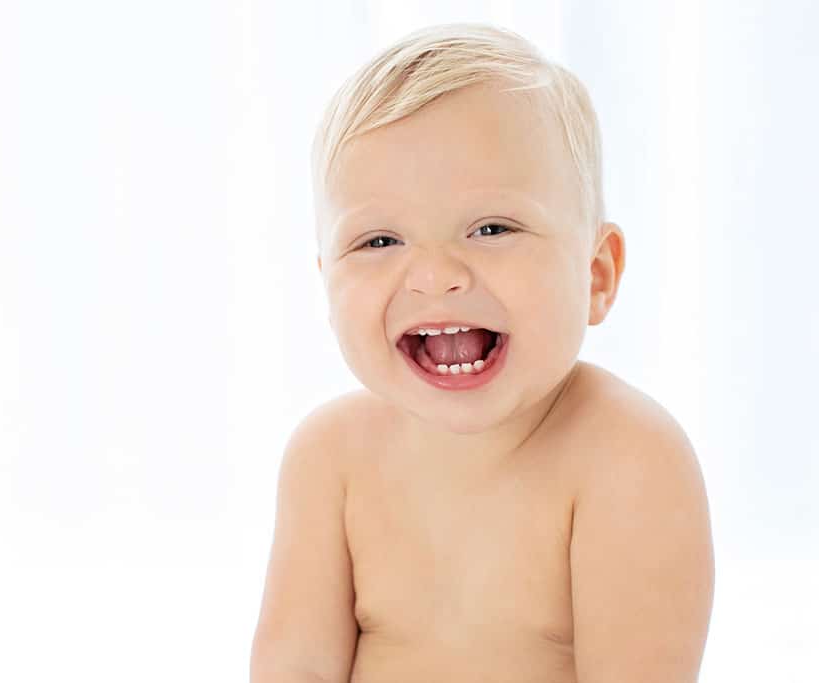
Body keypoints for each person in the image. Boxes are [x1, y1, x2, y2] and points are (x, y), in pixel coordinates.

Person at [250, 22, 714, 683]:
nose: (435, 274)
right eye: (380, 241)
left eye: (492, 227)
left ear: (597, 274)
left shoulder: (628, 458)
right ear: (325, 280)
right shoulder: (328, 459)